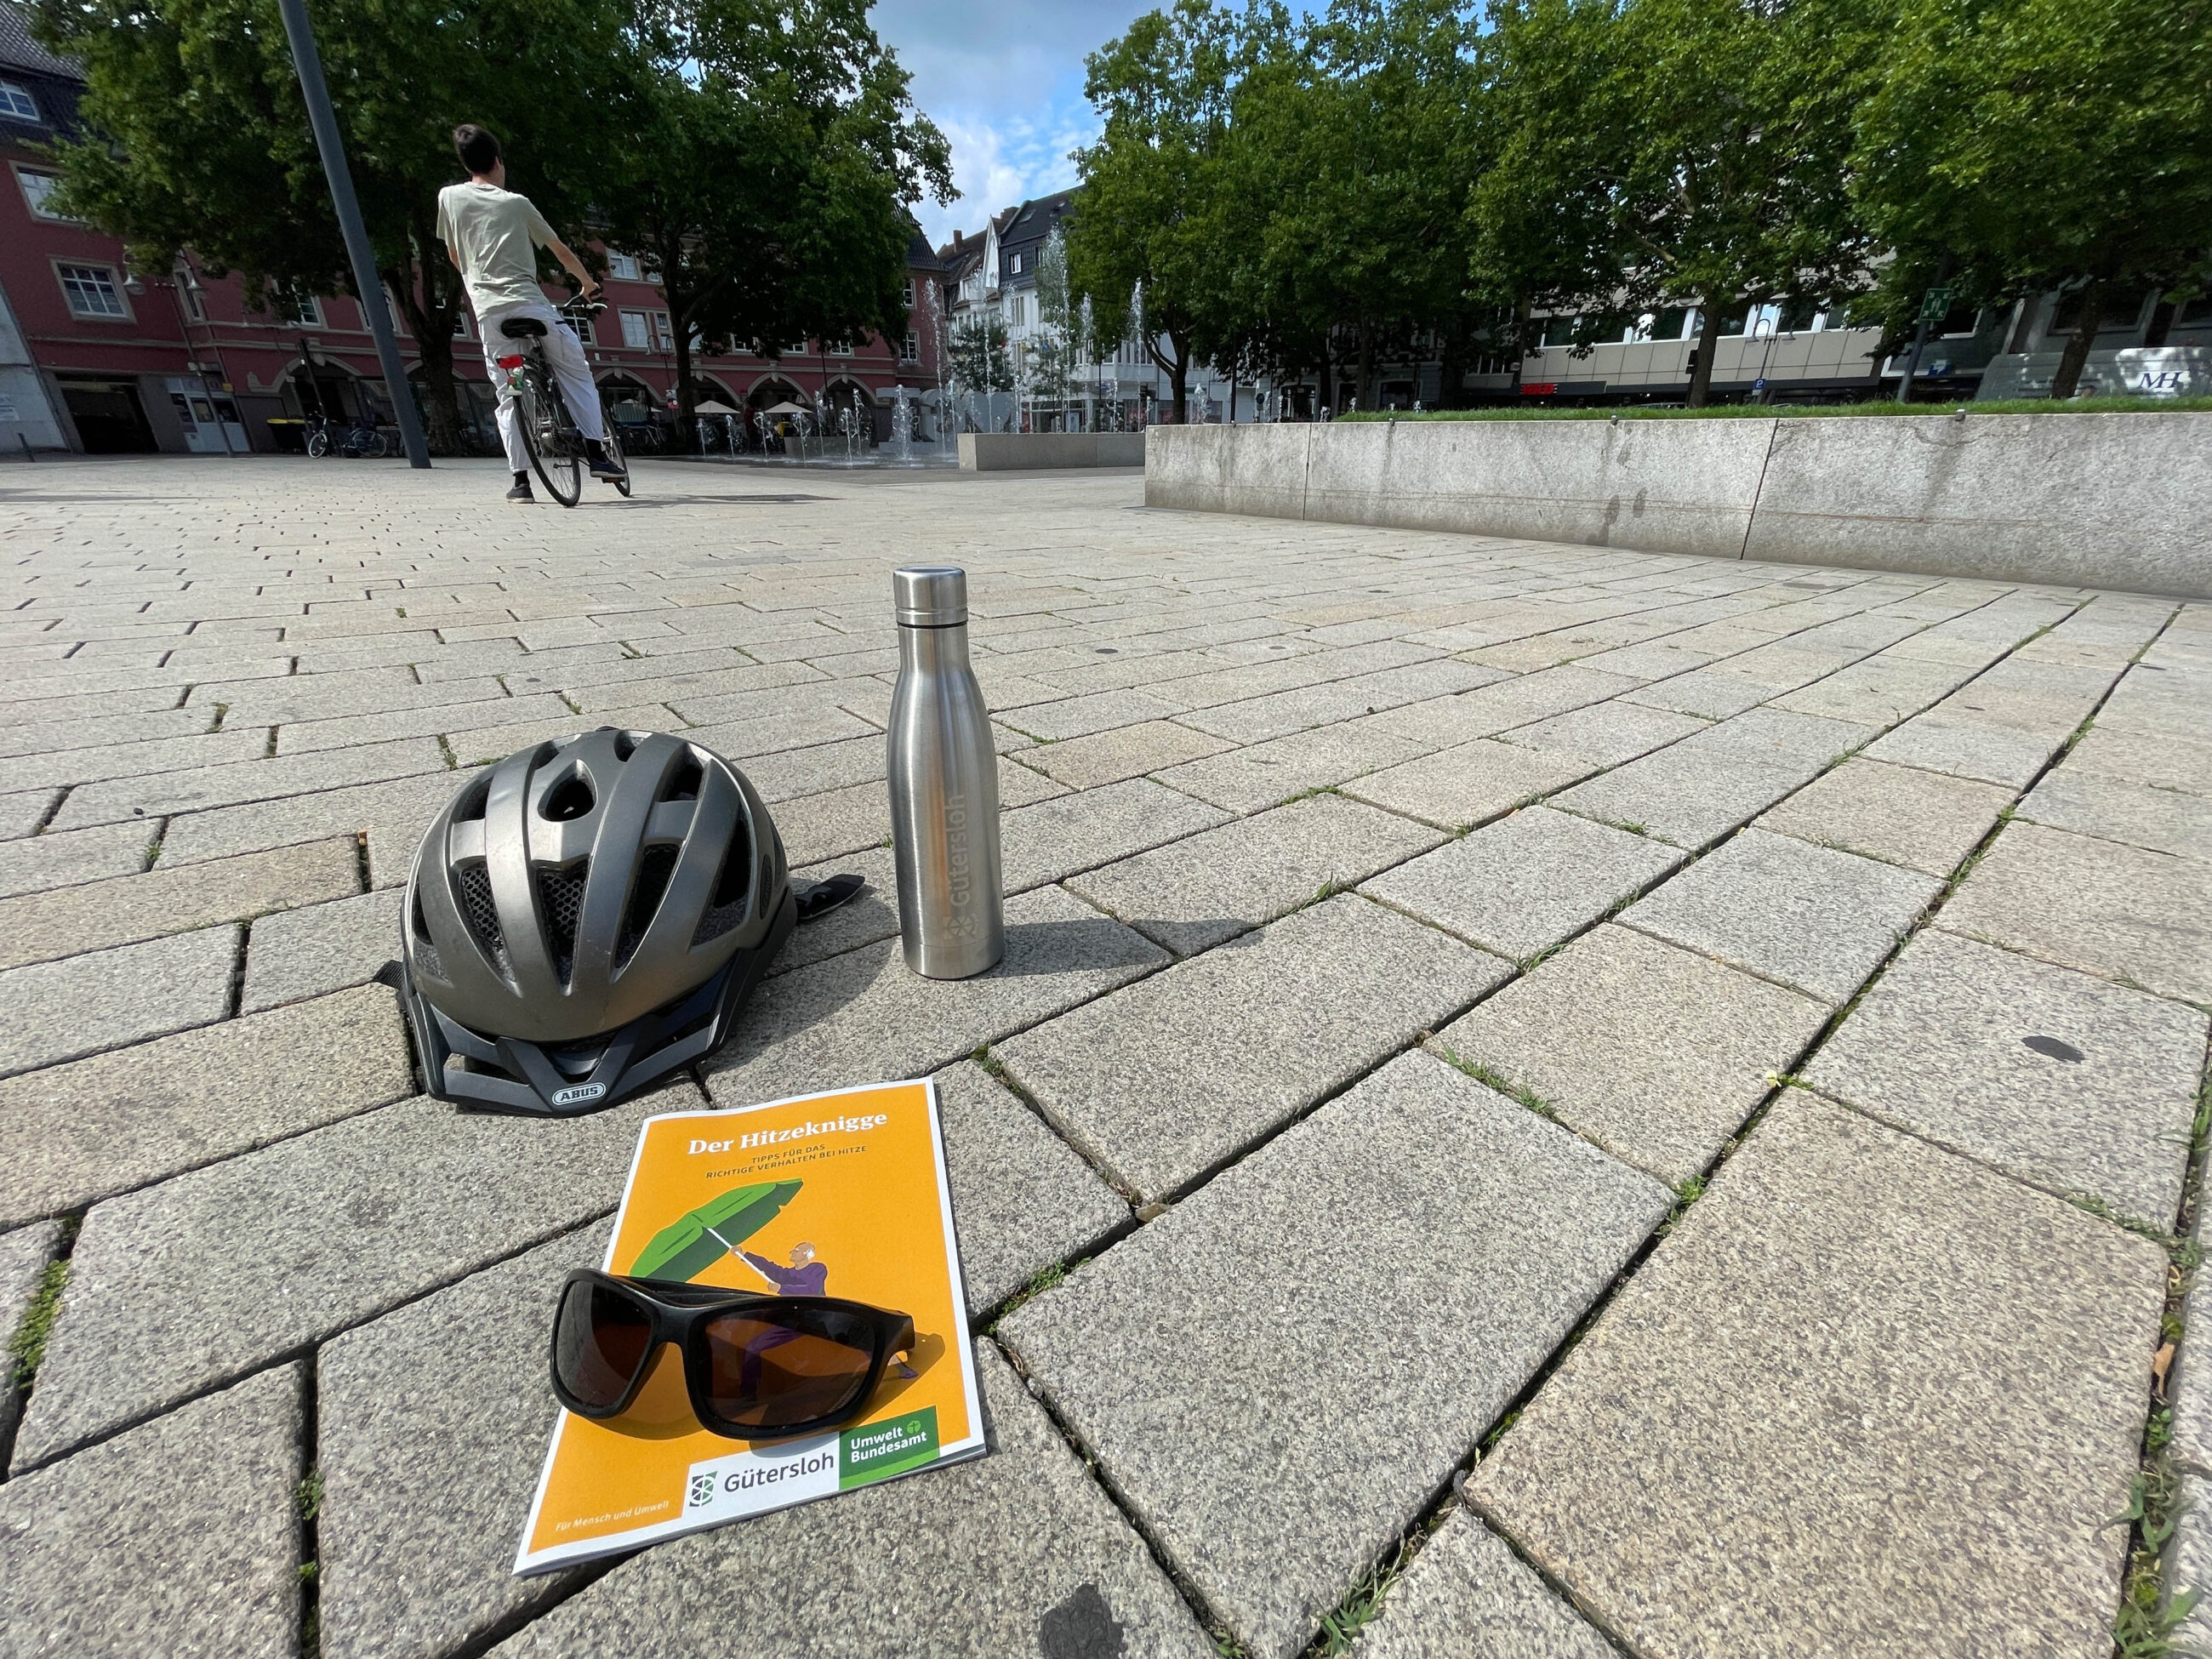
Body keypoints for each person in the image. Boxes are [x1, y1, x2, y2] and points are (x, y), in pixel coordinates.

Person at [436, 124, 624, 503]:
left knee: (510, 392)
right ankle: (596, 454)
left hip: (489, 315)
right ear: (497, 162)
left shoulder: (448, 198)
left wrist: (476, 285)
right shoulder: (516, 203)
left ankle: (521, 482)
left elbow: (454, 254)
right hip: (530, 304)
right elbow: (560, 250)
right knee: (576, 372)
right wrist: (587, 283)